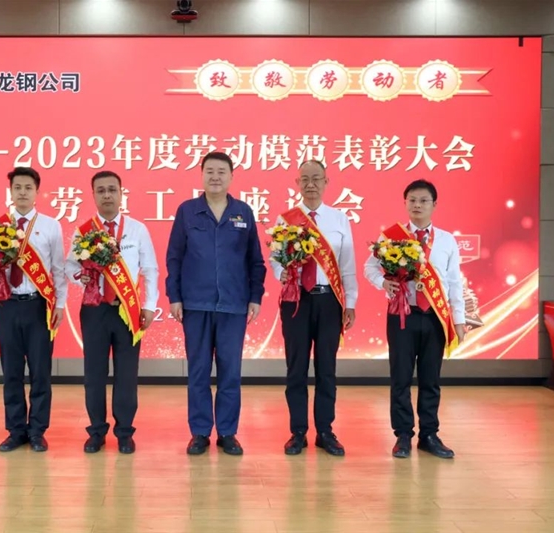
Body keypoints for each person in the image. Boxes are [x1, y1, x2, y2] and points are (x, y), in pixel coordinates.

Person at [166, 151, 267, 456]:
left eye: (221, 171)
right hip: (195, 304)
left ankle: (227, 432)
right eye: (209, 171)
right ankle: (199, 432)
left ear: (231, 176)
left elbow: (255, 260)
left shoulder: (243, 212)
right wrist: (175, 296)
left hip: (234, 305)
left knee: (230, 372)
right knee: (198, 371)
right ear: (201, 175)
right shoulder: (187, 211)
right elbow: (174, 257)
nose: (215, 177)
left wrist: (255, 296)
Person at [363, 179, 465, 459]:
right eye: (412, 200)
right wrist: (383, 283)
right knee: (401, 377)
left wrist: (458, 320)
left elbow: (454, 282)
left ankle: (429, 435)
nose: (417, 205)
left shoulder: (446, 240)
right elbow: (369, 268)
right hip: (402, 315)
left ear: (434, 204)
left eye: (423, 200)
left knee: (431, 379)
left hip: (434, 318)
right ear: (405, 203)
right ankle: (403, 436)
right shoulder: (391, 237)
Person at [65, 170, 159, 455]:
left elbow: (150, 269)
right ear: (93, 195)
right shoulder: (84, 231)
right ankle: (96, 431)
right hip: (94, 311)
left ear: (120, 193)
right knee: (94, 374)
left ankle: (125, 432)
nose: (107, 195)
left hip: (127, 311)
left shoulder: (137, 229)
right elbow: (69, 265)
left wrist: (149, 305)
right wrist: (80, 277)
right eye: (101, 190)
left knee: (127, 375)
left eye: (112, 190)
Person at [271, 160, 358, 457]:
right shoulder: (286, 219)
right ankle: (297, 432)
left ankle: (325, 431)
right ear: (297, 183)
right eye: (305, 179)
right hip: (296, 300)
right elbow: (275, 258)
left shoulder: (339, 219)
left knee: (326, 369)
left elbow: (347, 265)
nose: (311, 184)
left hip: (329, 301)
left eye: (316, 179)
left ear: (326, 182)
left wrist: (350, 303)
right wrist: (281, 272)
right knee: (296, 368)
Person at [0, 167, 67, 453]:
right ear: (10, 191)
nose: (22, 192)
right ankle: (15, 430)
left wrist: (59, 304)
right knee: (11, 371)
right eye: (17, 187)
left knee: (40, 372)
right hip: (8, 305)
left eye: (28, 188)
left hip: (39, 306)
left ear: (37, 192)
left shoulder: (50, 225)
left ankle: (37, 430)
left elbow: (58, 269)